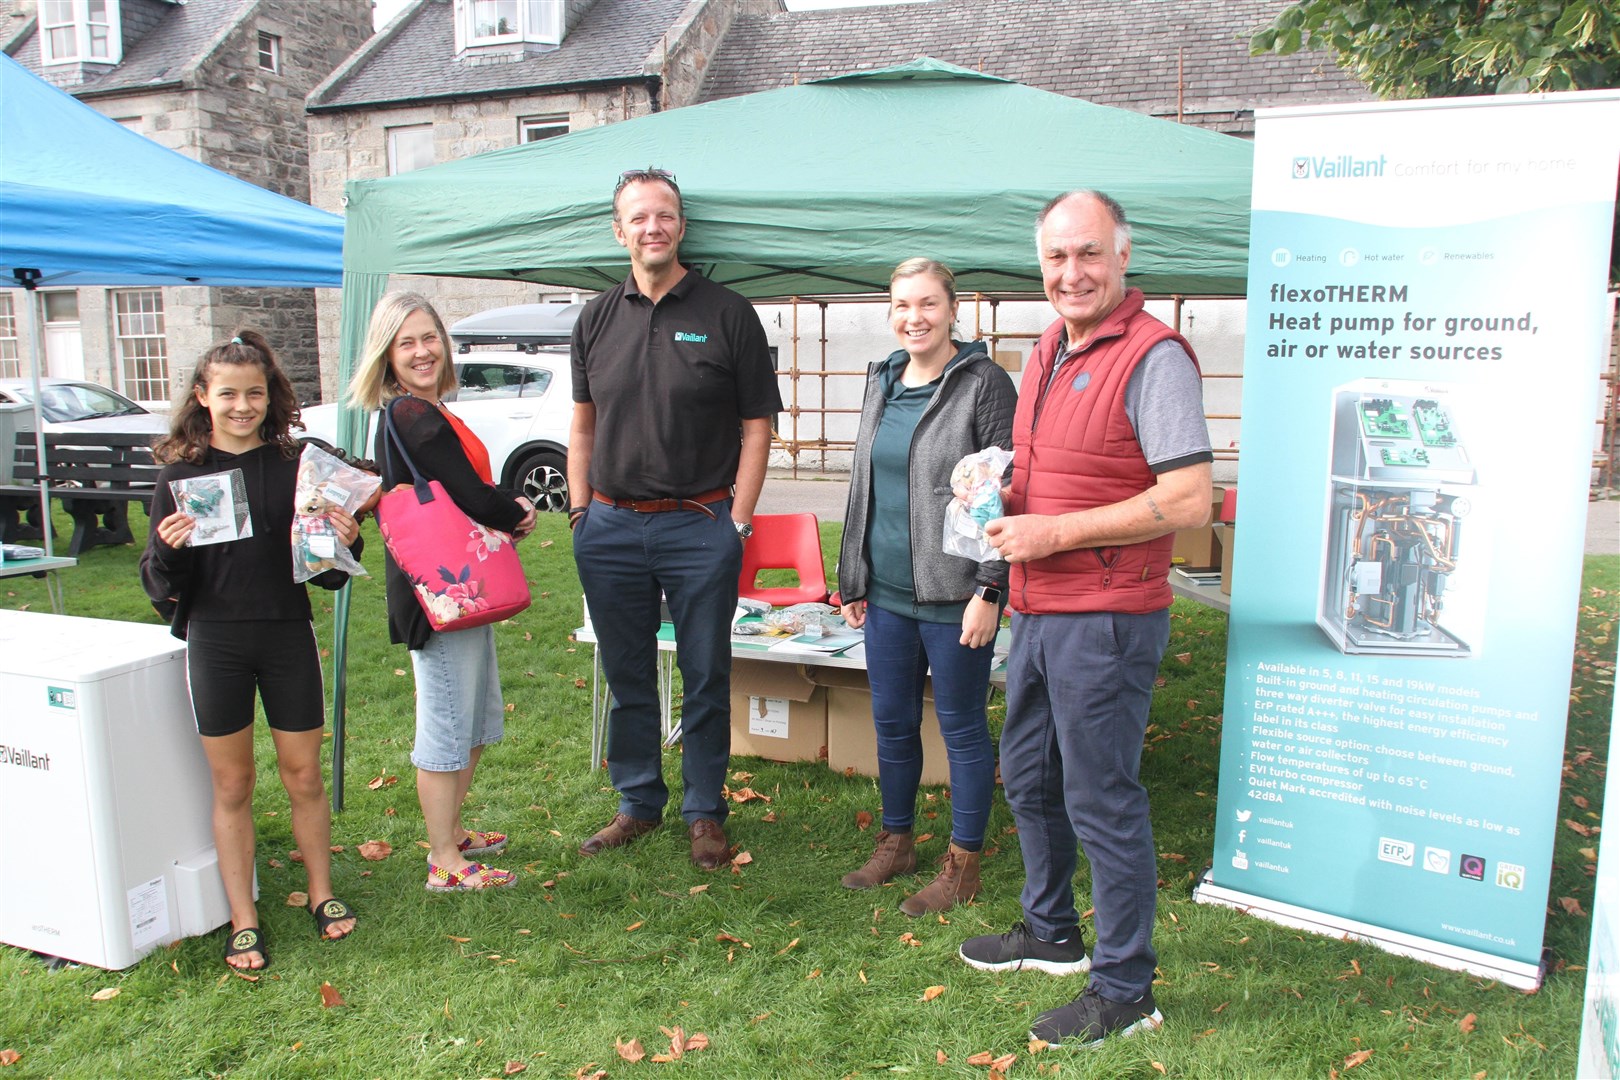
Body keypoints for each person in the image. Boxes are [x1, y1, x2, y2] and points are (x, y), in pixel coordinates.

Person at [957, 191, 1214, 1047]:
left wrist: (1054, 531)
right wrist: (993, 485)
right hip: (1035, 605)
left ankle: (1127, 987)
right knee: (1027, 775)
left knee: (1101, 797)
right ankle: (1052, 931)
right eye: (1057, 258)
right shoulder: (1044, 351)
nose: (1073, 273)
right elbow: (1052, 469)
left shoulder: (1156, 357)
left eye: (1089, 254)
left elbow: (1187, 500)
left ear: (1123, 256)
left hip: (1104, 615)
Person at [569, 167, 782, 870]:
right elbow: (582, 429)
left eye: (664, 215)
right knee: (627, 673)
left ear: (681, 227)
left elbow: (757, 428)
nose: (651, 227)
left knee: (705, 672)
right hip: (609, 528)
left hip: (700, 526)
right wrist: (578, 514)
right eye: (638, 217)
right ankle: (637, 802)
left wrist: (739, 521)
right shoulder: (595, 318)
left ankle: (704, 811)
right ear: (619, 230)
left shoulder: (727, 314)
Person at [141, 330, 365, 970]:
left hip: (286, 633)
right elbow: (165, 590)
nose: (243, 406)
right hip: (217, 641)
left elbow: (323, 574)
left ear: (272, 398)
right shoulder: (181, 480)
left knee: (303, 776)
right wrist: (167, 549)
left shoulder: (299, 469)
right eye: (229, 394)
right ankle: (244, 916)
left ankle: (321, 893)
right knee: (233, 783)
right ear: (202, 398)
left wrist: (342, 540)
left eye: (255, 394)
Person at [836, 258, 1016, 915]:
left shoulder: (984, 384)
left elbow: (1002, 492)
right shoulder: (881, 379)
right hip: (884, 594)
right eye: (903, 305)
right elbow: (865, 481)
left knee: (963, 728)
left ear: (952, 309)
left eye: (928, 304)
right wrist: (852, 573)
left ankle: (962, 865)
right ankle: (897, 841)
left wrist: (990, 590)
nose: (915, 317)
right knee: (892, 724)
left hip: (952, 595)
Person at [347, 292, 537, 892]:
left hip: (458, 587)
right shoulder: (412, 416)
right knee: (448, 726)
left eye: (429, 337)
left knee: (474, 719)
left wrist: (501, 511)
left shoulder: (424, 411)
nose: (423, 351)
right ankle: (444, 863)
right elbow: (468, 494)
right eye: (407, 342)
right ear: (387, 354)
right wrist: (517, 510)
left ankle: (451, 833)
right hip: (438, 595)